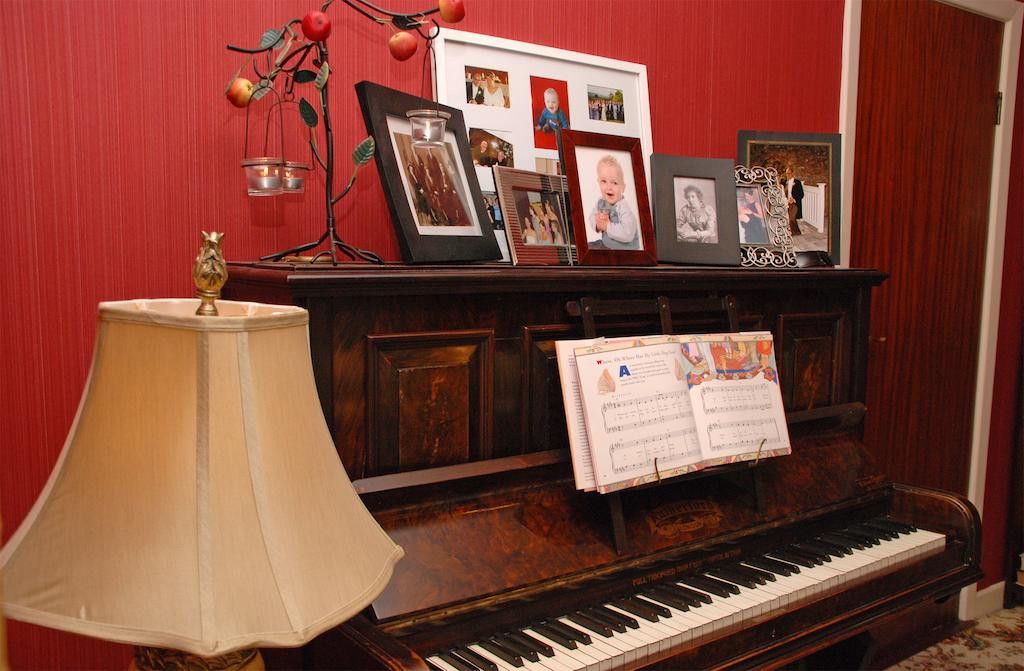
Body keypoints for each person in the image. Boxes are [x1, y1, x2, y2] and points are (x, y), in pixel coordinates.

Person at [588, 155, 639, 249]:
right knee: (586, 247)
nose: (609, 187)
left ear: (622, 187)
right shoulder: (601, 202)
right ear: (598, 182)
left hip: (624, 250)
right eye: (604, 181)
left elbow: (628, 234)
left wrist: (607, 226)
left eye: (614, 183)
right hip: (607, 245)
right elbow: (591, 217)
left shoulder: (623, 208)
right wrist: (598, 223)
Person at [784, 165, 804, 236]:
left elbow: (801, 194)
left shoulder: (797, 182)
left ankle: (794, 232)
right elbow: (783, 192)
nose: (787, 175)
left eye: (789, 173)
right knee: (790, 218)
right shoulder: (785, 182)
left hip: (795, 203)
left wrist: (794, 199)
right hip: (787, 203)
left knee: (792, 218)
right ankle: (796, 232)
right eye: (786, 173)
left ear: (792, 173)